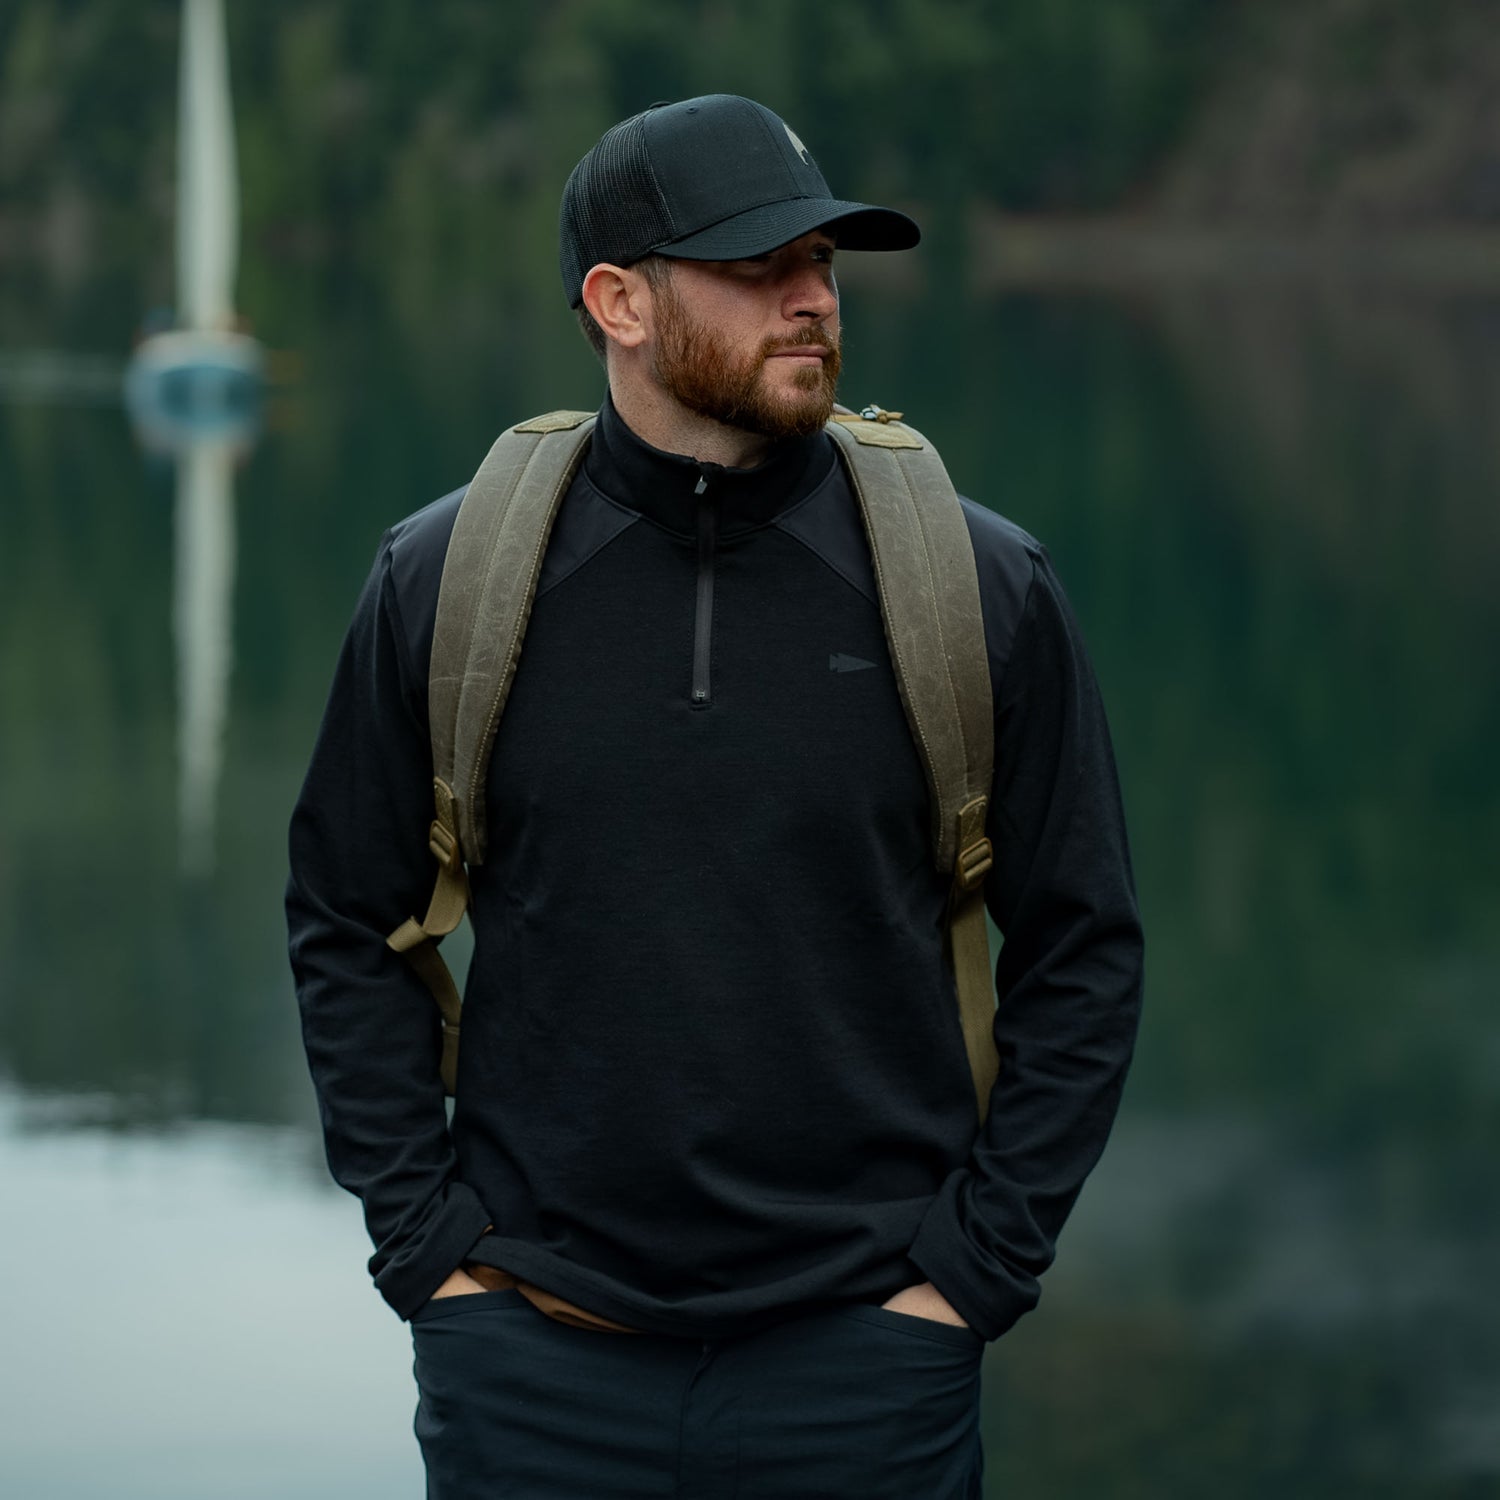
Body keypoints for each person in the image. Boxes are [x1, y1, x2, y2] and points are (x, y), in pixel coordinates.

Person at [287, 94, 1143, 1499]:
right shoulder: (445, 583)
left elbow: (1086, 948)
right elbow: (343, 917)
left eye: (823, 263)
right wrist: (428, 1253)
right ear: (619, 302)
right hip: (534, 1366)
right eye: (759, 268)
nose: (813, 301)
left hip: (867, 1372)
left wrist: (974, 1274)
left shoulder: (980, 590)